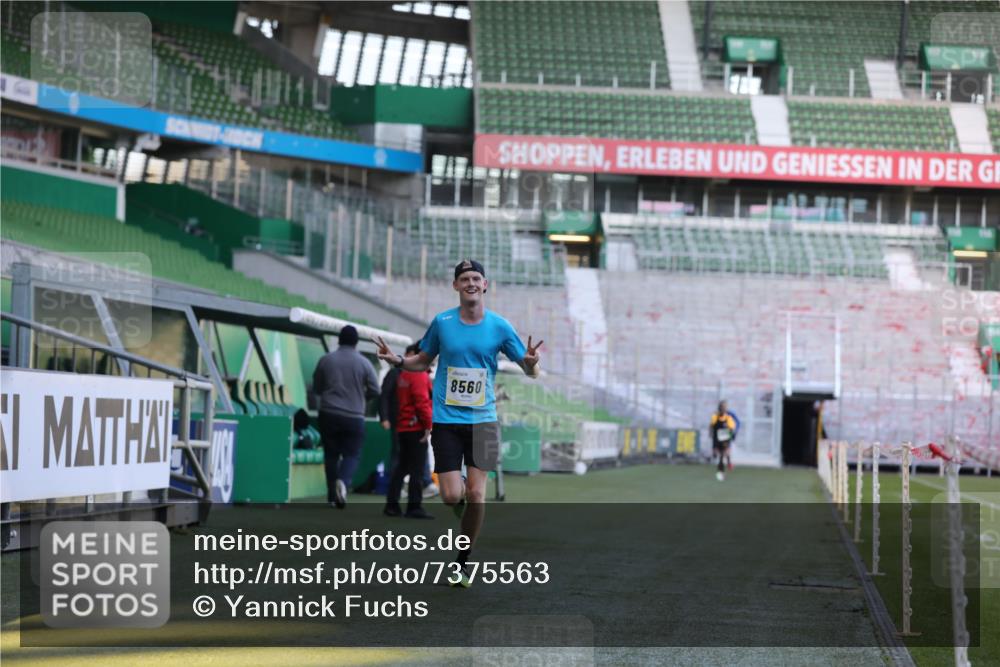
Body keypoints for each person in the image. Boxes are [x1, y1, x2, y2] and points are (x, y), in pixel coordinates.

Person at [375, 259, 542, 587]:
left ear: (485, 285)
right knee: (452, 496)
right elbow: (422, 361)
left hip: (484, 422)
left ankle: (463, 564)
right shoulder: (442, 322)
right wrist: (396, 360)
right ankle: (467, 515)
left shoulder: (500, 326)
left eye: (476, 278)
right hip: (447, 421)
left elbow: (528, 369)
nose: (470, 282)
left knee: (476, 494)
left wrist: (533, 364)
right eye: (464, 278)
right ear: (455, 285)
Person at [312, 325, 379, 508]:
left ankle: (332, 497)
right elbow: (375, 389)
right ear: (356, 342)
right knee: (352, 454)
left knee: (331, 455)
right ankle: (343, 480)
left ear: (339, 340)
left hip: (329, 413)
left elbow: (316, 387)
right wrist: (362, 398)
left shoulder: (326, 360)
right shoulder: (364, 363)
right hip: (354, 415)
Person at [384, 342, 434, 519]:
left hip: (404, 426)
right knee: (417, 469)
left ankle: (392, 505)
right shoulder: (419, 375)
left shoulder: (404, 374)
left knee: (402, 467)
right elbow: (422, 403)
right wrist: (429, 425)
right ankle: (414, 507)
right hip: (416, 427)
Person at [710, 400, 737, 481]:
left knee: (723, 455)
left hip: (725, 438)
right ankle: (724, 466)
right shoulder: (715, 417)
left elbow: (731, 429)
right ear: (719, 408)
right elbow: (711, 426)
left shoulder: (728, 418)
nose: (723, 409)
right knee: (716, 455)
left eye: (724, 407)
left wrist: (731, 437)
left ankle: (722, 471)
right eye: (722, 407)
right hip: (716, 439)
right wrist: (711, 433)